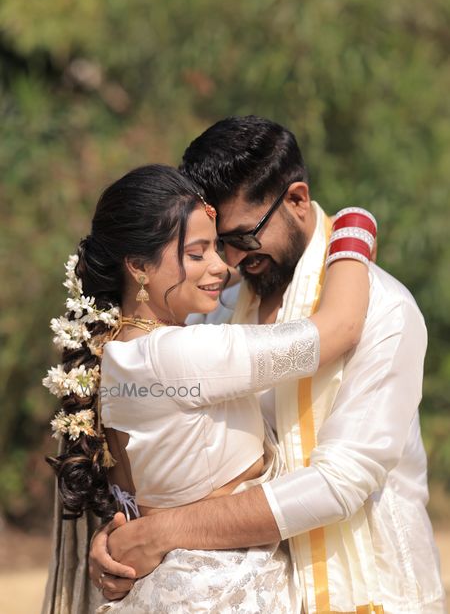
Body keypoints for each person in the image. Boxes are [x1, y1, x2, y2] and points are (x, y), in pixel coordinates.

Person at [90, 117, 446, 614]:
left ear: (297, 199)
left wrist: (161, 532)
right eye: (215, 244)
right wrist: (122, 538)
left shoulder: (383, 308)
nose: (230, 261)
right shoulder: (212, 308)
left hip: (369, 589)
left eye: (243, 237)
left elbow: (339, 482)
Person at [42, 163, 372, 613]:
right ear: (138, 267)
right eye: (197, 254)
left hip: (175, 588)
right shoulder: (180, 355)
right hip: (218, 592)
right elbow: (339, 329)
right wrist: (354, 226)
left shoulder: (118, 354)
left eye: (218, 247)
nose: (222, 266)